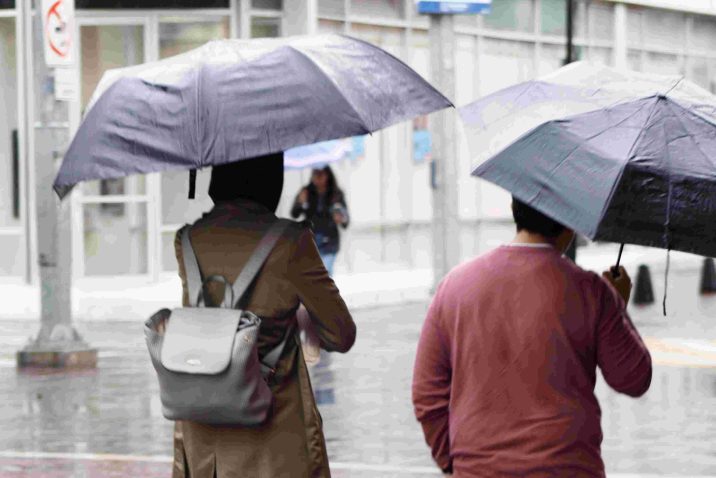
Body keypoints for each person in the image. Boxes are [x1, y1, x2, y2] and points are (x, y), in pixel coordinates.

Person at [412, 197, 652, 478]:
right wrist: (616, 304)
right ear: (570, 222)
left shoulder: (454, 286)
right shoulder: (590, 291)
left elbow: (426, 392)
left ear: (514, 210)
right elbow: (634, 379)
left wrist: (455, 463)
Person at [172, 153, 356, 478]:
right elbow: (340, 334)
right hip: (273, 446)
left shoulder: (188, 239)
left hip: (202, 446)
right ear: (271, 181)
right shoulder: (291, 242)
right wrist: (299, 316)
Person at [290, 166, 349, 276]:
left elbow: (346, 221)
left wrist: (340, 218)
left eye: (321, 174)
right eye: (315, 174)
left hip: (330, 241)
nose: (318, 178)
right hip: (311, 241)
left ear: (328, 176)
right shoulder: (306, 192)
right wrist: (300, 202)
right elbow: (294, 213)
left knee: (325, 273)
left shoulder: (335, 194)